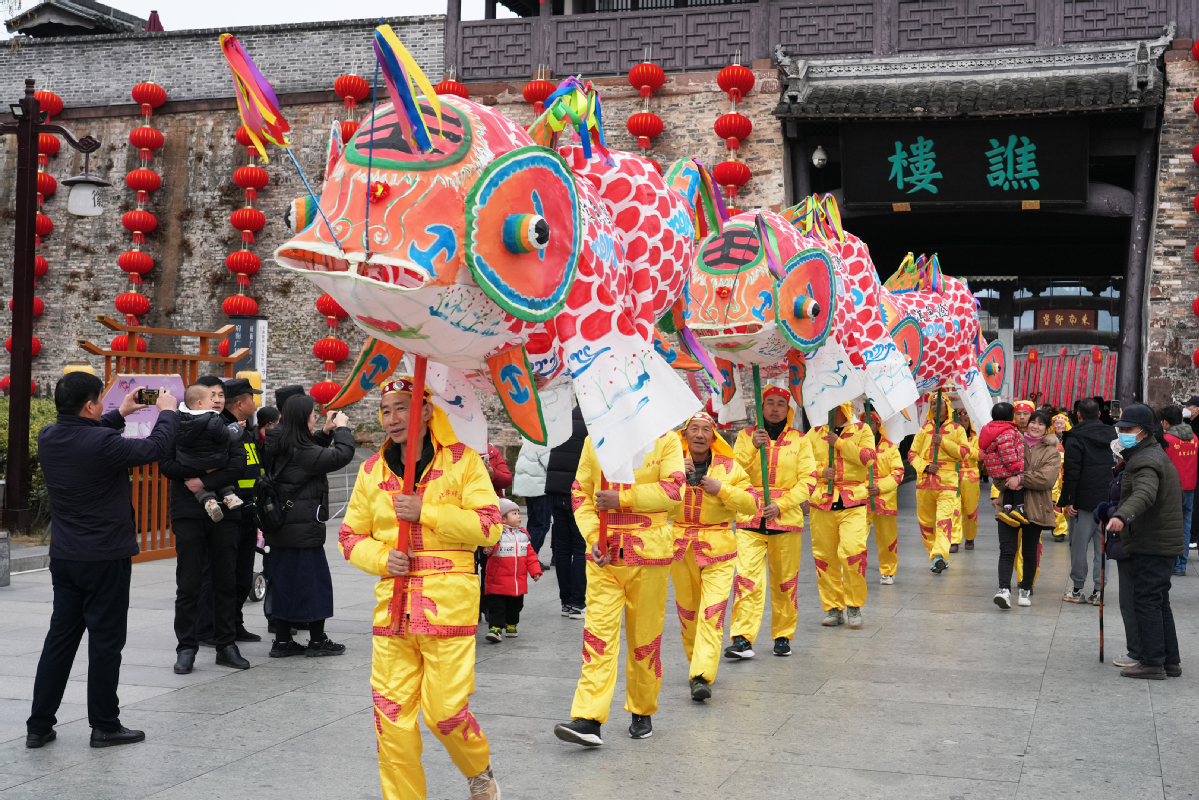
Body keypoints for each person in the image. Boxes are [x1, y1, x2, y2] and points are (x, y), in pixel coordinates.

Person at [338, 377, 503, 799]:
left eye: (403, 408)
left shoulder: (463, 462)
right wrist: (379, 559)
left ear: (426, 412)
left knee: (445, 714)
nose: (392, 419)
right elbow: (350, 537)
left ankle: (478, 770)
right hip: (392, 608)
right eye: (386, 410)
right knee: (391, 720)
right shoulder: (372, 471)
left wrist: (426, 511)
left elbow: (489, 527)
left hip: (447, 606)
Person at [26, 374, 178, 750]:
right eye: (100, 403)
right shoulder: (101, 442)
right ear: (91, 405)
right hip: (104, 556)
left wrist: (121, 413)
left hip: (65, 556)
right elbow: (153, 449)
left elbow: (90, 440)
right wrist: (167, 412)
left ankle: (39, 725)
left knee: (59, 641)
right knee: (106, 642)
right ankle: (105, 725)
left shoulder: (49, 436)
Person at [553, 431, 685, 746]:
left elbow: (674, 490)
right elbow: (580, 493)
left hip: (650, 555)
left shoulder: (666, 440)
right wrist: (591, 537)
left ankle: (642, 709)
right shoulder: (594, 439)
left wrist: (624, 499)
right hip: (604, 556)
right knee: (597, 637)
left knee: (645, 639)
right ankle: (588, 717)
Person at [161, 380, 250, 674]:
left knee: (225, 579)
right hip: (188, 512)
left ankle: (226, 645)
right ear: (198, 400)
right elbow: (167, 465)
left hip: (225, 511)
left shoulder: (229, 428)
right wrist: (203, 471)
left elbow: (236, 465)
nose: (217, 400)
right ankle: (186, 647)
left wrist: (204, 481)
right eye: (212, 395)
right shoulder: (178, 424)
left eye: (221, 395)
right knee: (188, 584)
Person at [669, 412, 756, 701]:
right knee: (688, 615)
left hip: (719, 550)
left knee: (712, 613)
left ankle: (701, 675)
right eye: (693, 428)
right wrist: (674, 480)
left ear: (714, 436)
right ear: (684, 434)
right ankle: (697, 663)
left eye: (706, 429)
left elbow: (751, 503)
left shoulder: (730, 467)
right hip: (680, 550)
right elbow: (652, 502)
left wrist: (722, 489)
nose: (699, 434)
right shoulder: (669, 464)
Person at [263, 396, 356, 657]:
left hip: (281, 527)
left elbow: (310, 450)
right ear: (303, 418)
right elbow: (341, 455)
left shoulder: (279, 443)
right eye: (313, 414)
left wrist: (325, 432)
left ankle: (282, 642)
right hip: (302, 530)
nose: (316, 417)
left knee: (283, 583)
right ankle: (317, 641)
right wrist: (342, 429)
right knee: (314, 585)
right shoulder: (303, 452)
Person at [726, 386, 814, 658]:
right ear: (761, 408)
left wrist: (782, 505)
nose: (775, 408)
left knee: (784, 582)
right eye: (770, 403)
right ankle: (742, 638)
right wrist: (753, 449)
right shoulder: (745, 436)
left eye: (780, 404)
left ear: (788, 409)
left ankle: (783, 636)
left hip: (785, 519)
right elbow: (731, 470)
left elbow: (808, 480)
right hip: (750, 518)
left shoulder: (800, 440)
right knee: (746, 579)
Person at [1107, 403, 1184, 679]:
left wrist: (1122, 515)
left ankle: (1152, 662)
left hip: (1153, 541)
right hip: (1162, 539)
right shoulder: (1155, 454)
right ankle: (1170, 660)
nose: (1123, 433)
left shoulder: (1145, 460)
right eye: (1121, 429)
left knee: (1147, 601)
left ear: (1144, 432)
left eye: (1128, 429)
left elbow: (1145, 493)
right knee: (1159, 600)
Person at [806, 401, 876, 628]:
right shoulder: (814, 433)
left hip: (853, 502)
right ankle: (833, 607)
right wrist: (819, 472)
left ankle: (853, 604)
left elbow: (869, 458)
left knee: (853, 552)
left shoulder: (862, 430)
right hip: (822, 503)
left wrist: (840, 444)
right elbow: (801, 464)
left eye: (835, 407)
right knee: (824, 558)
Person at [992, 410, 1060, 609]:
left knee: (1030, 552)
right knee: (1007, 550)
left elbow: (1047, 478)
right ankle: (1004, 590)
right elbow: (997, 472)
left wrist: (1020, 479)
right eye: (1033, 422)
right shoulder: (1011, 442)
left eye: (1040, 424)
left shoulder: (1051, 451)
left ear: (1046, 428)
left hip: (1035, 507)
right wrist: (1006, 483)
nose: (1035, 426)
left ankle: (1026, 588)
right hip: (1009, 505)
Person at [1060, 397, 1117, 604]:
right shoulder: (1114, 435)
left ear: (1078, 415)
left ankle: (1076, 589)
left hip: (1083, 502)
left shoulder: (1075, 437)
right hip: (1108, 501)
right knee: (1102, 547)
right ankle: (1098, 591)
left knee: (1078, 546)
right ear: (1099, 414)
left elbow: (1071, 471)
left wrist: (1068, 499)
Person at [909, 393, 971, 574]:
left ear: (947, 406)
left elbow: (964, 453)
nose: (936, 406)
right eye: (933, 404)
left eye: (939, 403)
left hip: (947, 483)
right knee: (926, 524)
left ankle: (939, 555)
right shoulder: (924, 429)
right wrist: (926, 466)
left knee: (944, 521)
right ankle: (936, 557)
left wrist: (942, 442)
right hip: (924, 483)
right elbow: (912, 454)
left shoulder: (957, 429)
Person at [173, 384, 244, 520]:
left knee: (196, 484)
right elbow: (224, 436)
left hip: (188, 463)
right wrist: (236, 429)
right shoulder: (214, 419)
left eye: (220, 395)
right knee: (218, 468)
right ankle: (229, 496)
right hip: (214, 461)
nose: (215, 402)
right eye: (211, 399)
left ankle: (209, 502)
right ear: (200, 403)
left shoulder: (179, 420)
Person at [1095, 438, 1137, 667]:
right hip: (1126, 540)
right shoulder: (1123, 472)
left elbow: (1130, 503)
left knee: (1130, 600)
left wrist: (1108, 512)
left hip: (1130, 540)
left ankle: (1138, 651)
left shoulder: (1130, 474)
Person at [547, 403, 588, 619]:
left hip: (556, 490)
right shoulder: (594, 422)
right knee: (581, 546)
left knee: (562, 548)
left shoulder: (562, 419)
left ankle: (566, 602)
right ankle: (578, 602)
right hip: (577, 491)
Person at [482, 498, 542, 642]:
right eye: (514, 513)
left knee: (516, 606)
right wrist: (489, 547)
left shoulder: (524, 535)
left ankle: (511, 624)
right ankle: (495, 628)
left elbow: (531, 555)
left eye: (518, 513)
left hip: (517, 581)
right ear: (503, 518)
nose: (519, 516)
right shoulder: (497, 533)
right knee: (497, 605)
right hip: (498, 579)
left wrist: (535, 570)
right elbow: (490, 548)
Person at [866, 411, 905, 582]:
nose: (868, 427)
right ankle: (851, 570)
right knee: (854, 538)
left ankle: (888, 570)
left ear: (877, 426)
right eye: (864, 423)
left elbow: (898, 473)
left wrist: (880, 487)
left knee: (887, 539)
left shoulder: (890, 447)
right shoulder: (853, 447)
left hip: (885, 501)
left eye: (871, 423)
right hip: (860, 499)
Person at [1159, 405, 1196, 576]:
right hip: (1189, 487)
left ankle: (1170, 563)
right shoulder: (1194, 438)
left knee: (1167, 528)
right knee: (1184, 527)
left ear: (1165, 422)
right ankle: (1181, 565)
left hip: (1170, 489)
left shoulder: (1166, 440)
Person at [979, 402, 1026, 526]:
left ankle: (1007, 509)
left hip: (997, 470)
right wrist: (1016, 470)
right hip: (1008, 468)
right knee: (1017, 486)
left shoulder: (988, 430)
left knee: (1007, 490)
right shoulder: (1007, 431)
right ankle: (1019, 508)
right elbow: (1007, 451)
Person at [513, 437, 551, 565]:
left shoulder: (530, 441)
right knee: (542, 525)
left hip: (529, 488)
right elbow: (550, 464)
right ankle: (530, 558)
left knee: (533, 523)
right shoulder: (544, 443)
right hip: (540, 489)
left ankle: (526, 555)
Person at [953, 409, 981, 552]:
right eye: (960, 420)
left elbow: (980, 455)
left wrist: (965, 450)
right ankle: (954, 539)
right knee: (953, 509)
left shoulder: (975, 439)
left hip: (970, 477)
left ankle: (970, 537)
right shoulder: (952, 437)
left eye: (965, 421)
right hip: (954, 476)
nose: (963, 423)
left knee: (970, 510)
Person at [1049, 413, 1073, 543]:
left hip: (1068, 474)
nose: (1059, 425)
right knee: (1056, 503)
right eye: (1056, 423)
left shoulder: (1072, 438)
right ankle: (1060, 530)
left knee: (1068, 503)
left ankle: (1062, 524)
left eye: (1061, 423)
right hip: (1054, 474)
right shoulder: (1049, 439)